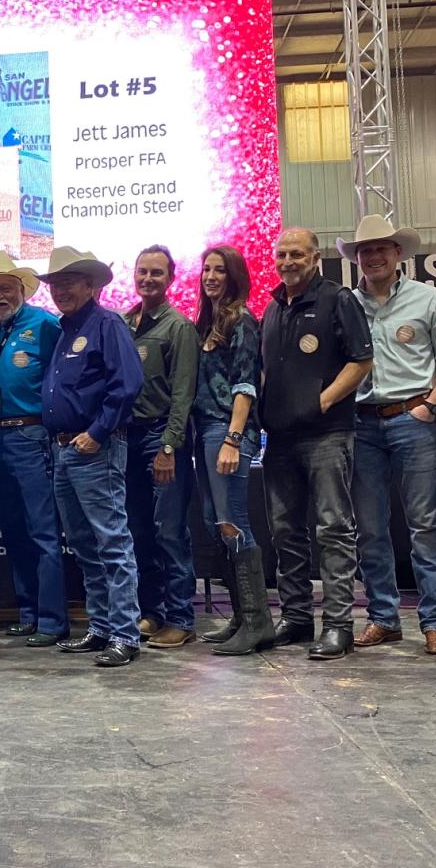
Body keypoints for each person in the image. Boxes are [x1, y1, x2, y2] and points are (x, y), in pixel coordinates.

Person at [339, 216, 436, 656]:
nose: (373, 257)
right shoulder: (347, 305)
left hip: (413, 417)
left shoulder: (431, 301)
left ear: (397, 254)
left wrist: (432, 407)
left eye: (381, 249)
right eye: (365, 251)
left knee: (425, 526)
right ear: (357, 259)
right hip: (361, 422)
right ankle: (383, 618)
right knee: (369, 528)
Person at [260, 227, 374, 660]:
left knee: (334, 529)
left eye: (296, 255)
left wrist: (321, 402)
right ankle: (296, 617)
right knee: (286, 532)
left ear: (315, 258)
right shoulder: (272, 307)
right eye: (281, 254)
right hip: (281, 440)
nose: (287, 262)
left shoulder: (338, 299)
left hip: (327, 435)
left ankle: (340, 625)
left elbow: (362, 359)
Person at [38, 247, 145, 668]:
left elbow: (127, 385)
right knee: (84, 543)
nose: (61, 289)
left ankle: (125, 633)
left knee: (111, 540)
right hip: (64, 449)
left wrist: (97, 433)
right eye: (56, 283)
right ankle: (101, 627)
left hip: (93, 448)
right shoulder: (67, 329)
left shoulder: (107, 324)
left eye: (70, 281)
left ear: (91, 285)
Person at [0, 251, 67, 646]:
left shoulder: (45, 324)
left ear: (22, 290)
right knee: (13, 530)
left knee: (43, 530)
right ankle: (27, 612)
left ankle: (52, 620)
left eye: (6, 288)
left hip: (31, 434)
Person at [191, 245, 276, 656]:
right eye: (206, 269)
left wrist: (233, 438)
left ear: (234, 276)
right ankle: (242, 618)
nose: (210, 276)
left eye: (219, 270)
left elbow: (247, 382)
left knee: (233, 521)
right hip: (205, 430)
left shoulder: (242, 319)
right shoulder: (209, 322)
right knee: (216, 522)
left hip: (227, 431)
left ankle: (258, 623)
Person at [122, 245, 200, 649]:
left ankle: (181, 618)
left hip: (160, 439)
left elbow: (183, 394)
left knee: (169, 531)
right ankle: (150, 613)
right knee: (138, 532)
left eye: (156, 273)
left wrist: (169, 447)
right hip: (126, 440)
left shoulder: (178, 327)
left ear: (170, 279)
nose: (147, 279)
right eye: (142, 272)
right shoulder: (123, 323)